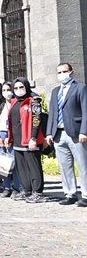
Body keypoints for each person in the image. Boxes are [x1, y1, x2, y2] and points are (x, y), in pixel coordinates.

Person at [47, 63, 87, 206]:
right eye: (59, 72)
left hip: (76, 133)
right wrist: (49, 132)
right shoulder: (55, 91)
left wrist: (84, 131)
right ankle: (70, 193)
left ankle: (86, 194)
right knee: (65, 166)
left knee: (83, 165)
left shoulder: (80, 88)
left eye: (65, 71)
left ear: (71, 72)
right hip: (58, 134)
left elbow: (85, 110)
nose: (62, 74)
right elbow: (52, 113)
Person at [8, 77, 47, 203]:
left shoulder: (34, 100)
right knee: (21, 166)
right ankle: (26, 190)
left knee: (33, 166)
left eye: (21, 87)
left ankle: (38, 192)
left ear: (27, 87)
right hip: (17, 139)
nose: (19, 90)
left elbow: (37, 120)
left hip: (30, 138)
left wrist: (34, 138)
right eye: (16, 88)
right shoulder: (14, 101)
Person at [0, 82, 21, 198]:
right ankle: (6, 187)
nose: (7, 92)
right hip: (1, 134)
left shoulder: (17, 104)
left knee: (14, 162)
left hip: (14, 135)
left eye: (9, 89)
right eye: (4, 90)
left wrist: (11, 137)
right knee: (3, 164)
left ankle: (16, 187)